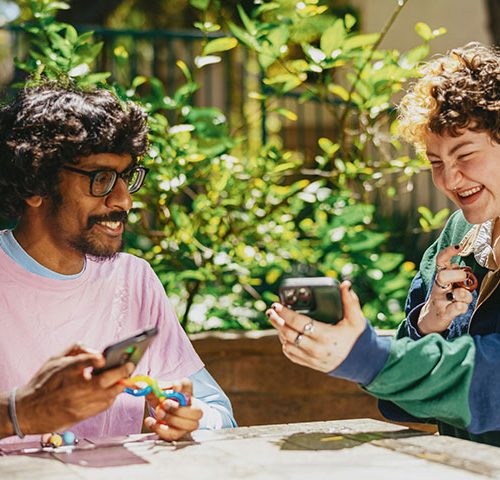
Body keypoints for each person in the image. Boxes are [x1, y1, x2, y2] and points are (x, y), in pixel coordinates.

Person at [268, 42, 500, 446]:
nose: (450, 179)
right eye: (435, 162)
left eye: (464, 154)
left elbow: (490, 383)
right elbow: (406, 405)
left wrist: (368, 358)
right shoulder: (458, 237)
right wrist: (428, 323)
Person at [0, 82, 236, 442]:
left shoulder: (132, 278)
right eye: (102, 178)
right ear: (37, 185)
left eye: (126, 177)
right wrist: (21, 412)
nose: (123, 200)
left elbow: (217, 410)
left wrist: (191, 417)